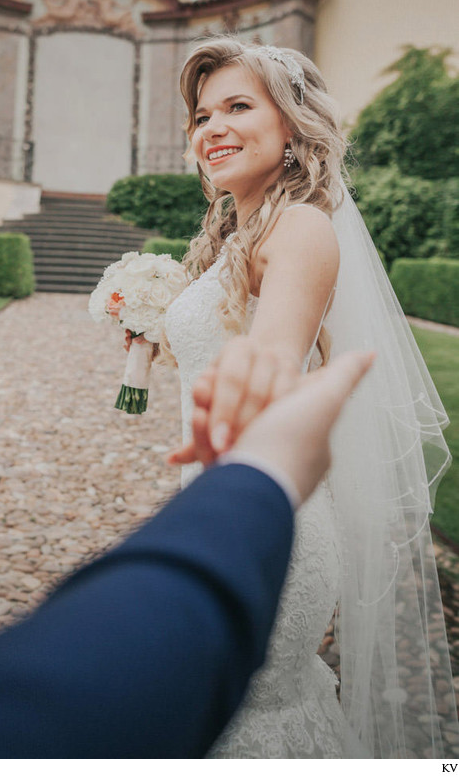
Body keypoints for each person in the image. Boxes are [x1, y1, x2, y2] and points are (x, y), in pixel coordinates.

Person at [155, 38, 457, 758]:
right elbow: (227, 350)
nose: (211, 129)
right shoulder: (240, 230)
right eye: (201, 115)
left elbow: (272, 360)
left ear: (291, 125)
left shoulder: (300, 226)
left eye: (237, 106)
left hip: (264, 513)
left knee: (245, 717)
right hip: (224, 486)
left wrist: (250, 382)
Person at [0, 352, 373, 759]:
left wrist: (258, 468)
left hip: (243, 482)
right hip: (222, 477)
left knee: (264, 695)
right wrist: (263, 472)